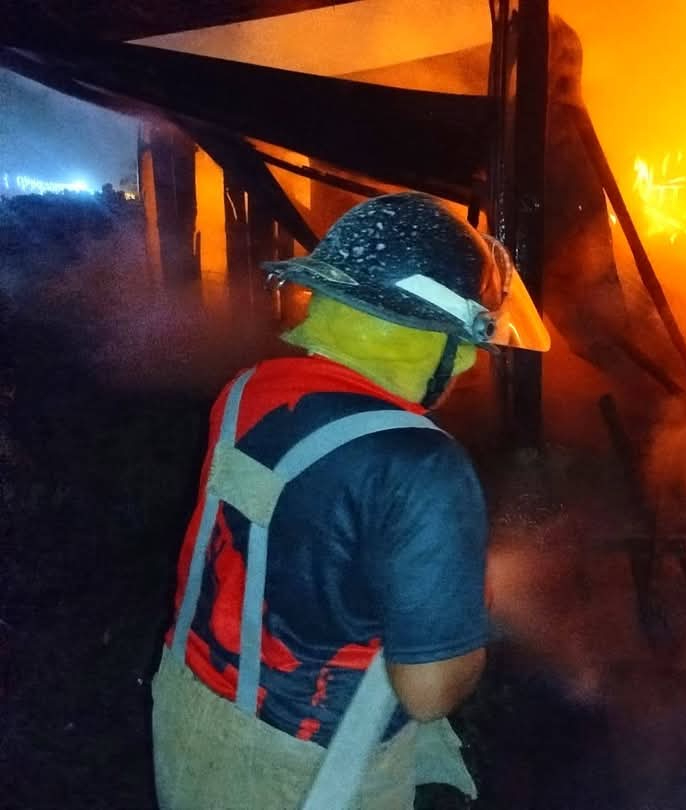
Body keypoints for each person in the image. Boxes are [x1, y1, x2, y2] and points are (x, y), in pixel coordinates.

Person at [150, 191, 550, 809]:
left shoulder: (249, 389)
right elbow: (430, 692)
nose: (472, 366)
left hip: (191, 714)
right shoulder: (422, 466)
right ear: (436, 339)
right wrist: (464, 607)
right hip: (309, 770)